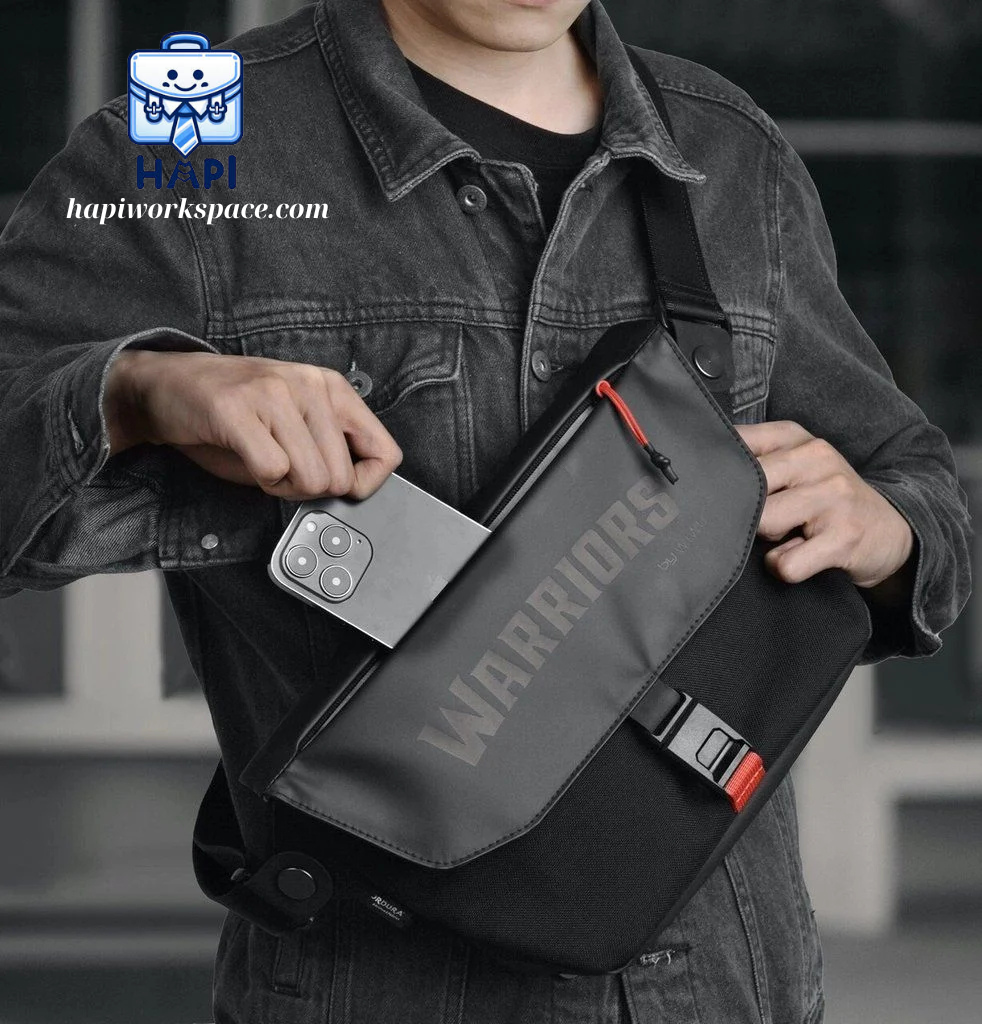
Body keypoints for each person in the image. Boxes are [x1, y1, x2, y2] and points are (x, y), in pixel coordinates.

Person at [0, 0, 972, 1021]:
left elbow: (913, 484)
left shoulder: (726, 150)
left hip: (728, 987)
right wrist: (139, 391)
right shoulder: (191, 140)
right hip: (378, 991)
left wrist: (889, 529)